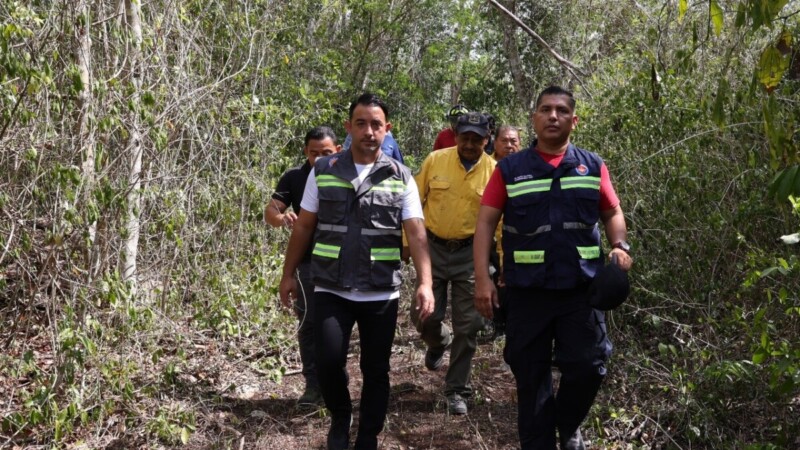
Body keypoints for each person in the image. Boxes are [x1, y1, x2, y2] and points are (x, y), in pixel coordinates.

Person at [473, 86, 633, 450]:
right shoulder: (510, 169)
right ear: (535, 118)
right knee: (530, 376)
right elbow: (485, 224)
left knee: (589, 366)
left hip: (582, 290)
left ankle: (568, 422)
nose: (553, 116)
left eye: (561, 110)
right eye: (545, 109)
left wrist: (620, 245)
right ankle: (539, 440)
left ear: (574, 121)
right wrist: (483, 279)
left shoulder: (592, 165)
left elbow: (611, 212)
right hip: (527, 293)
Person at [278, 93, 434, 450]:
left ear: (387, 129)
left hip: (380, 292)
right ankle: (341, 416)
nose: (368, 131)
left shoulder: (401, 177)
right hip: (331, 287)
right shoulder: (324, 171)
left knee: (376, 370)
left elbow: (416, 233)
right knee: (330, 362)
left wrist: (425, 283)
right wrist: (288, 275)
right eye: (361, 123)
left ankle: (368, 436)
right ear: (348, 128)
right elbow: (303, 227)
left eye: (376, 124)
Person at [411, 111, 497, 415]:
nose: (470, 144)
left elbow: (499, 221)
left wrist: (500, 264)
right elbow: (413, 202)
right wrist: (406, 244)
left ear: (487, 140)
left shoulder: (495, 171)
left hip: (470, 254)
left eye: (477, 139)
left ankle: (457, 389)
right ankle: (438, 342)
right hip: (432, 248)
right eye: (465, 138)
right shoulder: (436, 160)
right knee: (423, 316)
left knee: (469, 325)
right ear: (456, 136)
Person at [265, 126, 341, 407]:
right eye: (314, 154)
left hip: (341, 263)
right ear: (306, 153)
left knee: (338, 324)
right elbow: (270, 211)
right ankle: (313, 385)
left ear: (338, 151)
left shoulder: (348, 173)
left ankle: (336, 381)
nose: (319, 159)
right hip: (308, 262)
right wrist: (281, 217)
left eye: (326, 153)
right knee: (308, 323)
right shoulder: (295, 177)